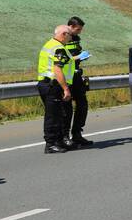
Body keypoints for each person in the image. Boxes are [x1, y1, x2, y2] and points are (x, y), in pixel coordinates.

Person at [37, 25, 75, 154]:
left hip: (46, 84)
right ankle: (51, 144)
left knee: (57, 114)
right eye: (70, 35)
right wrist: (66, 88)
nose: (71, 38)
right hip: (53, 85)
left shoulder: (50, 44)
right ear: (64, 34)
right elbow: (57, 69)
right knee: (52, 116)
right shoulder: (59, 48)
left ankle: (58, 142)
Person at [63, 16, 93, 147]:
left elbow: (74, 55)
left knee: (82, 105)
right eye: (78, 29)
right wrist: (77, 57)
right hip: (65, 78)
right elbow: (63, 59)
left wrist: (82, 57)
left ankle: (77, 134)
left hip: (76, 76)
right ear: (70, 26)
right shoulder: (62, 38)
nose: (79, 32)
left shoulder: (75, 38)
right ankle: (64, 136)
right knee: (66, 109)